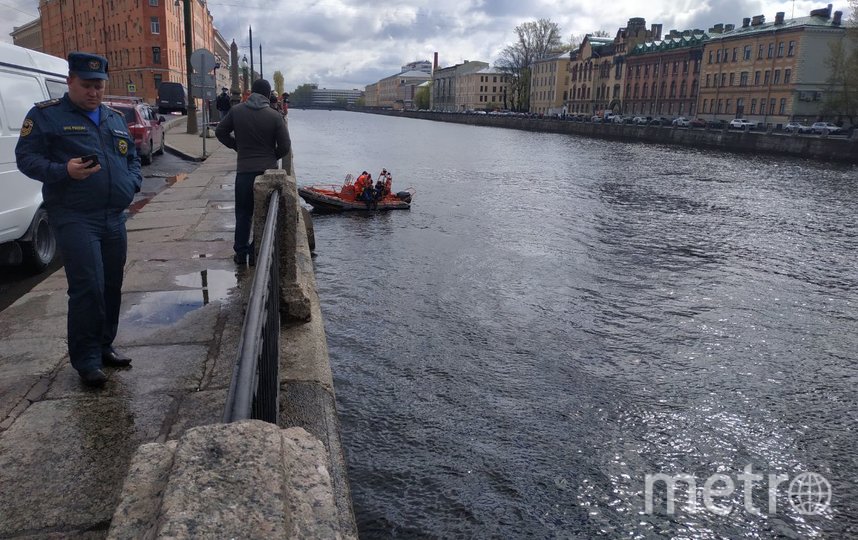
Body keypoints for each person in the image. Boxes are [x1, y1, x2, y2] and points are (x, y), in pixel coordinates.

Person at [15, 52, 142, 387]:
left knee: (112, 284)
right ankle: (86, 360)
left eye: (99, 85)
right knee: (88, 287)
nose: (94, 92)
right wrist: (63, 171)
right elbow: (25, 158)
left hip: (113, 217)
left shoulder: (113, 118)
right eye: (86, 85)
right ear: (70, 81)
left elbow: (131, 159)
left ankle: (104, 345)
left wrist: (132, 185)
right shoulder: (47, 117)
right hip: (75, 216)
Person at [215, 78, 291, 265]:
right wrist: (272, 156)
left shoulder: (237, 111)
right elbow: (285, 146)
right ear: (267, 95)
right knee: (264, 214)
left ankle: (240, 253)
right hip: (267, 174)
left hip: (244, 172)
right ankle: (258, 252)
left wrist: (237, 146)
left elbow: (220, 132)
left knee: (243, 213)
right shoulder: (274, 116)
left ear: (251, 93)